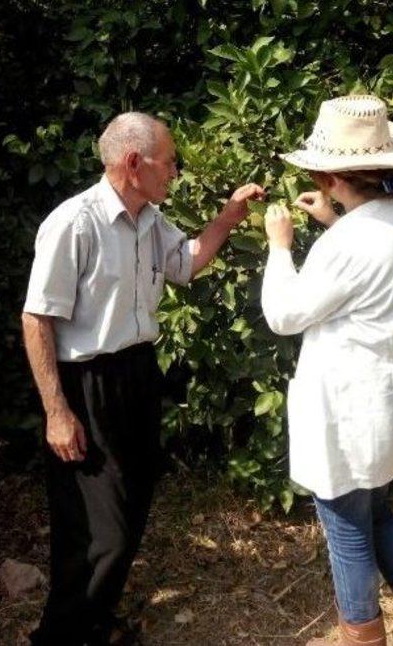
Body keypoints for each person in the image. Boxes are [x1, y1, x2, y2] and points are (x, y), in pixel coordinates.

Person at [22, 111, 264, 646]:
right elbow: (36, 318)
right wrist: (57, 411)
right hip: (85, 384)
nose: (175, 171)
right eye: (169, 161)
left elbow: (186, 264)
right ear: (134, 162)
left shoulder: (151, 219)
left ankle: (95, 624)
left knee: (133, 509)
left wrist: (228, 216)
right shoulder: (74, 223)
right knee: (94, 528)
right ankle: (60, 635)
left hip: (137, 374)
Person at [261, 95, 393, 646]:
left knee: (348, 530)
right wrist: (333, 221)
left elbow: (284, 314)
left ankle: (364, 638)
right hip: (392, 410)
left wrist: (280, 247)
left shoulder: (348, 244)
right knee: (375, 512)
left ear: (329, 175)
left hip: (349, 418)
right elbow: (378, 261)